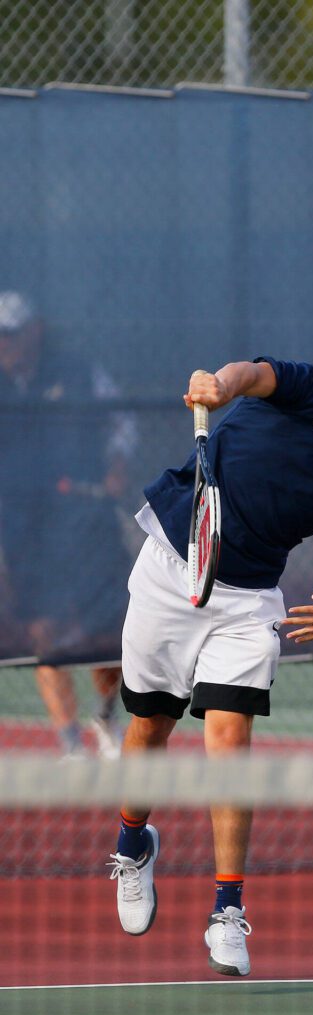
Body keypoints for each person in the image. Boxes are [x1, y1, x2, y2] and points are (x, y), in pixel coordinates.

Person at [108, 309, 313, 975]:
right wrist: (218, 386)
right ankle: (133, 843)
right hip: (171, 567)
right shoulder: (306, 386)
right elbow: (250, 374)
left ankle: (226, 910)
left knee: (229, 741)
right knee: (149, 727)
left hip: (249, 603)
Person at [0, 290, 135, 758]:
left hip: (87, 522)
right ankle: (70, 741)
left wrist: (117, 464)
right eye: (0, 337)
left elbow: (121, 421)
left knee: (111, 632)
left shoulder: (77, 372)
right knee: (44, 633)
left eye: (13, 334)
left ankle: (104, 715)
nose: (6, 344)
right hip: (23, 529)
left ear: (34, 331)